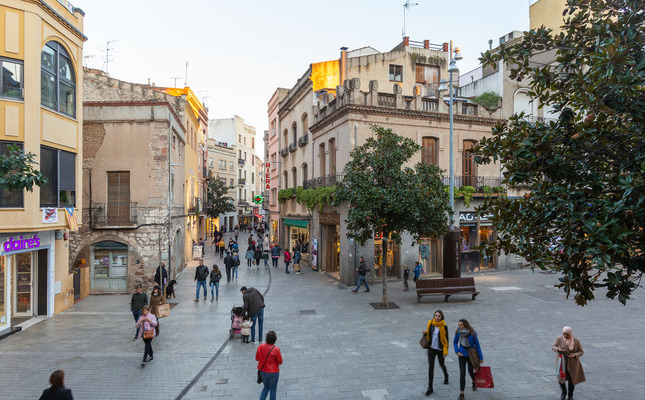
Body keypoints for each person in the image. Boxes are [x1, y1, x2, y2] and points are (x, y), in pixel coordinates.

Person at [552, 326, 585, 400]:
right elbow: (553, 346)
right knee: (560, 377)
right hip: (562, 362)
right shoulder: (559, 338)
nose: (565, 336)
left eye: (567, 334)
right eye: (564, 334)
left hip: (573, 363)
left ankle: (570, 395)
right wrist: (558, 349)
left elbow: (581, 352)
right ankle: (564, 392)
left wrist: (575, 355)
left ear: (571, 333)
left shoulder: (576, 341)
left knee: (572, 379)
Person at [453, 319, 483, 400]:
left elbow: (477, 345)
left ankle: (474, 381)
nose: (459, 326)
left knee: (470, 371)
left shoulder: (472, 333)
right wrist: (457, 351)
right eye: (459, 325)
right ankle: (461, 393)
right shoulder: (458, 332)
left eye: (461, 325)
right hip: (462, 354)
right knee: (462, 373)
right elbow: (455, 342)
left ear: (465, 325)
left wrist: (481, 357)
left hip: (470, 355)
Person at [422, 310, 449, 396]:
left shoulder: (444, 327)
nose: (437, 317)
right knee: (431, 367)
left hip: (440, 349)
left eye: (439, 316)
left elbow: (446, 341)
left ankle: (446, 375)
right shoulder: (430, 323)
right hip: (431, 349)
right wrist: (425, 333)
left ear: (442, 317)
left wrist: (445, 351)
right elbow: (430, 334)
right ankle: (430, 387)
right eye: (436, 315)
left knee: (442, 364)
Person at [256, 331, 283, 400]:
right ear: (275, 340)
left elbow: (257, 358)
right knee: (273, 390)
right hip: (273, 372)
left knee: (266, 388)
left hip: (263, 371)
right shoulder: (276, 349)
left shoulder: (260, 347)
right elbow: (280, 362)